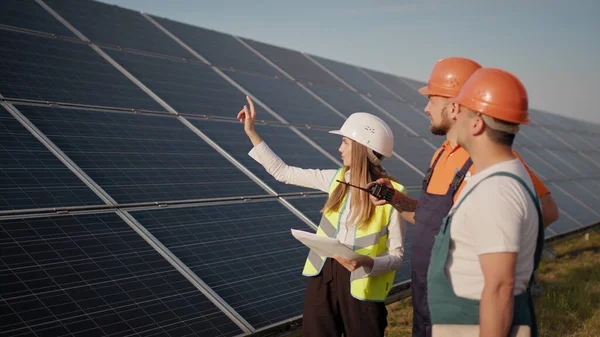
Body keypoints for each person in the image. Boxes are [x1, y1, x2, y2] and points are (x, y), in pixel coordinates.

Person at [367, 57, 559, 337]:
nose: (426, 107)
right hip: (429, 299)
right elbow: (432, 218)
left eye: (433, 99)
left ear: (456, 105)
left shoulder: (493, 166)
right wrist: (396, 199)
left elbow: (540, 214)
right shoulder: (441, 154)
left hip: (467, 305)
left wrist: (494, 253)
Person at [236, 95, 408, 337]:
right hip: (323, 276)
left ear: (362, 148)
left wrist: (367, 263)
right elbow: (282, 172)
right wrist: (251, 132)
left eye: (346, 143)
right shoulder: (334, 179)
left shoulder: (394, 195)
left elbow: (397, 256)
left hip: (362, 285)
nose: (339, 149)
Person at [427, 67, 544, 337]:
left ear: (477, 123)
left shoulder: (496, 192)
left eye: (461, 110)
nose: (454, 115)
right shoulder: (495, 176)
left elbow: (500, 287)